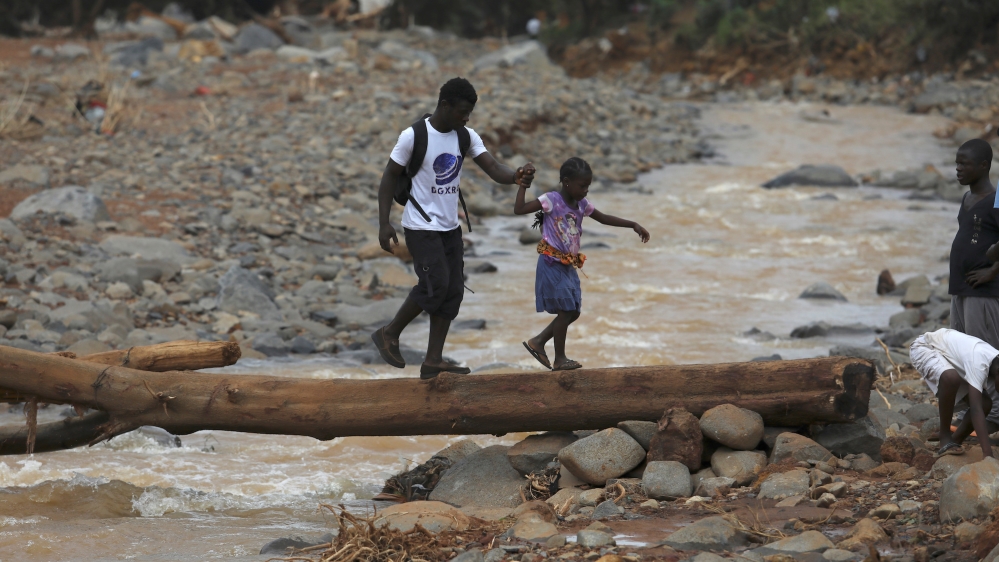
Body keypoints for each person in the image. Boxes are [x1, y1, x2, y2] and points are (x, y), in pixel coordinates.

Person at [371, 77, 536, 380]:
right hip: (420, 226)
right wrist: (384, 223)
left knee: (454, 290)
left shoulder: (465, 136)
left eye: (469, 113)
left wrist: (516, 176)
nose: (466, 118)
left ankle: (433, 361)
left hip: (449, 227)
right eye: (462, 112)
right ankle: (388, 333)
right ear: (444, 105)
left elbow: (494, 168)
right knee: (435, 285)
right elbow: (388, 177)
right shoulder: (413, 135)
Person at [514, 157, 650, 371]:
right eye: (582, 186)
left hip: (568, 265)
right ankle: (559, 359)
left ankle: (538, 342)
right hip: (551, 263)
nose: (586, 190)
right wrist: (523, 184)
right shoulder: (551, 200)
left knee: (574, 311)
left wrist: (633, 224)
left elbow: (603, 218)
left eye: (588, 186)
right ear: (566, 182)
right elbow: (519, 209)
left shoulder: (582, 204)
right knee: (566, 310)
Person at [947, 139, 999, 432]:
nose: (958, 169)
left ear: (983, 166)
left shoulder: (998, 197)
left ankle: (995, 415)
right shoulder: (967, 198)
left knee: (986, 352)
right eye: (956, 163)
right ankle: (974, 411)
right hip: (961, 288)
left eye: (964, 163)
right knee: (962, 351)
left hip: (984, 291)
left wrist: (992, 271)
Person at [910, 328, 999, 458]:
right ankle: (945, 436)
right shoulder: (979, 361)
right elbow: (975, 409)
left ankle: (955, 441)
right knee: (951, 378)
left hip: (951, 358)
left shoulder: (995, 360)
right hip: (925, 347)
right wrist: (988, 455)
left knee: (986, 403)